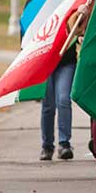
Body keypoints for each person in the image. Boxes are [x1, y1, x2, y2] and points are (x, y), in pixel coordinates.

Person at [40, 33, 76, 162]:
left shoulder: (69, 11)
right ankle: (47, 146)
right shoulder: (38, 13)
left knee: (63, 100)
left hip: (66, 60)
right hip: (45, 60)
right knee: (48, 105)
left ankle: (64, 143)